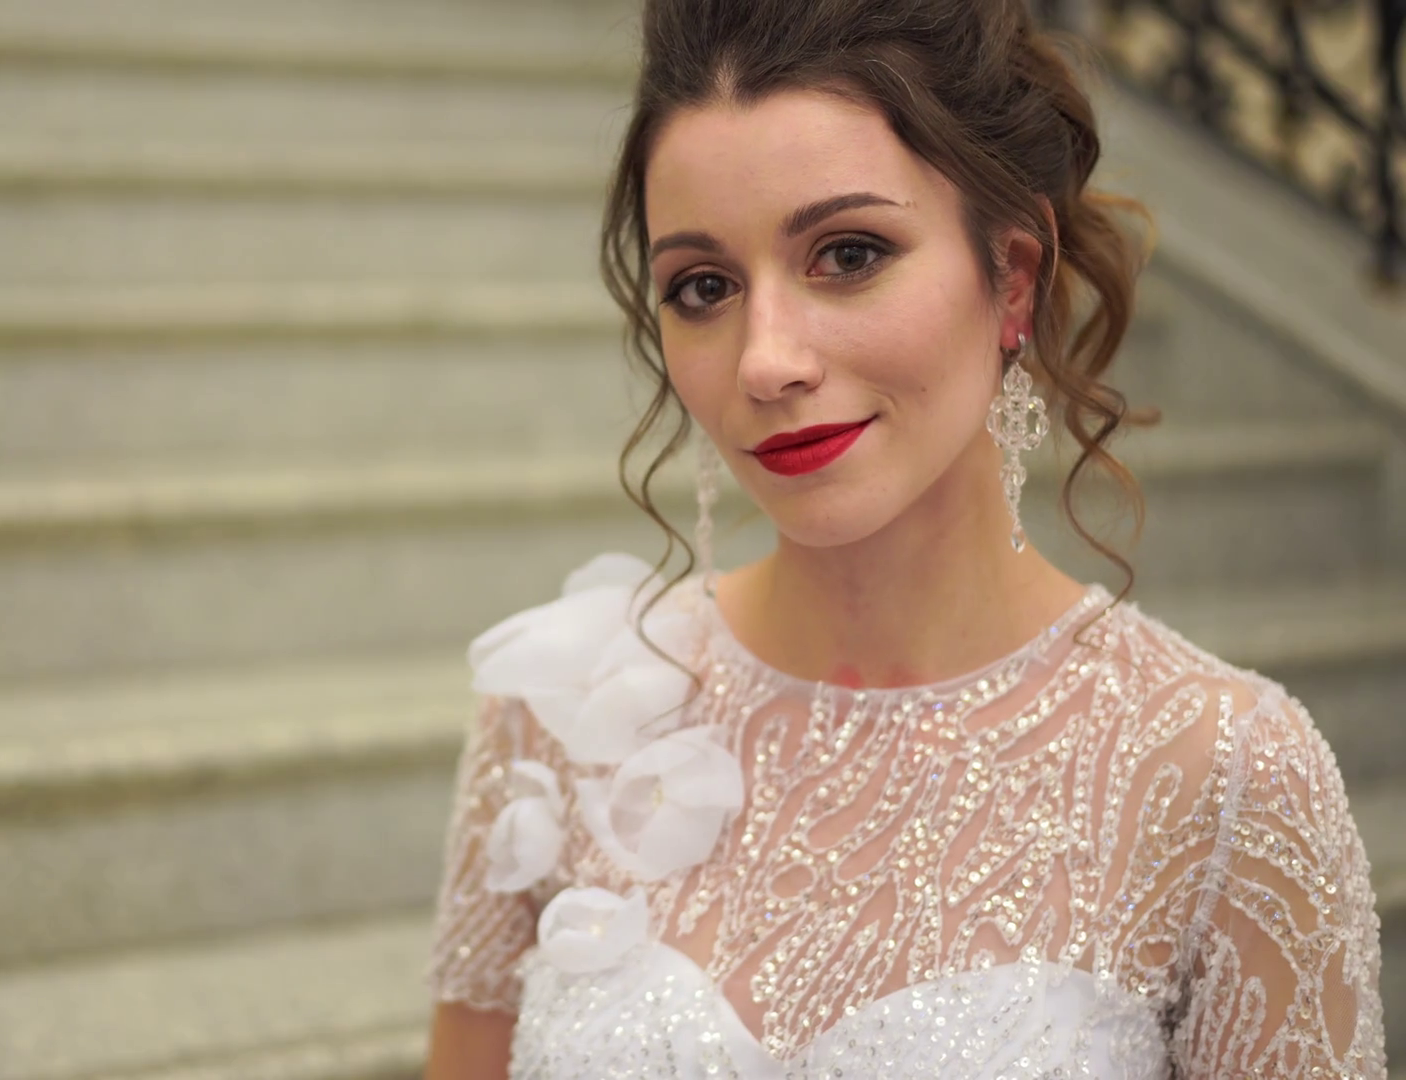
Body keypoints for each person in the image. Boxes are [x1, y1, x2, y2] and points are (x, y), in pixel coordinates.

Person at [420, 0, 1387, 1076]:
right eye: (704, 287)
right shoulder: (556, 716)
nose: (764, 361)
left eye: (848, 254)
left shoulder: (1228, 777)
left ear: (1011, 278)